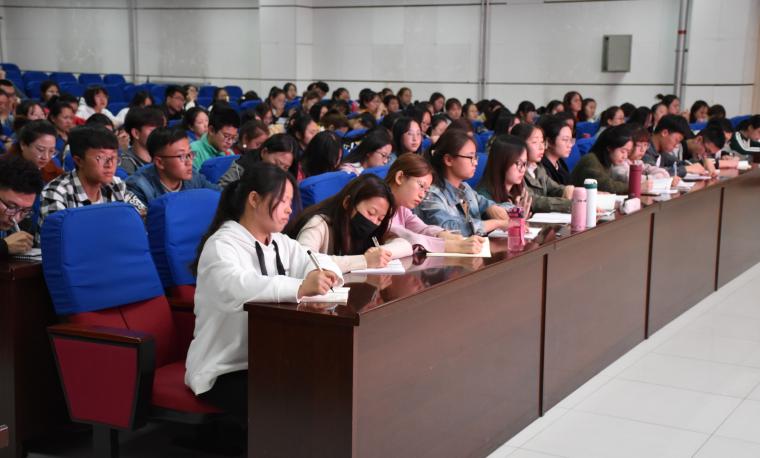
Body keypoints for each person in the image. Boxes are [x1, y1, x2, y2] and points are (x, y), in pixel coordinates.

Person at [185, 162, 343, 419]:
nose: (289, 209)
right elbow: (239, 286)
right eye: (282, 200)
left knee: (328, 381)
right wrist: (300, 286)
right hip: (225, 368)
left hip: (269, 358)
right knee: (299, 399)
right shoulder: (222, 245)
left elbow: (312, 258)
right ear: (254, 199)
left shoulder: (279, 242)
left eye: (291, 202)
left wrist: (324, 271)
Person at [288, 174, 411, 273]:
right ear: (348, 203)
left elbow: (405, 245)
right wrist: (364, 261)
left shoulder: (371, 232)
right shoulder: (318, 224)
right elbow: (304, 261)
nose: (374, 222)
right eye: (371, 213)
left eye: (380, 219)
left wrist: (379, 254)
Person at [39, 126, 146, 229]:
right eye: (101, 158)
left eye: (113, 158)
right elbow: (61, 237)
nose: (109, 164)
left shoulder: (116, 184)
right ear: (79, 161)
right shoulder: (56, 193)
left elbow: (143, 215)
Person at [384, 153, 484, 254]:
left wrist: (443, 234)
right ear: (400, 178)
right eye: (421, 186)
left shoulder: (401, 209)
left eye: (426, 191)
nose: (422, 195)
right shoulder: (379, 206)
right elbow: (408, 237)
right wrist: (454, 246)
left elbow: (422, 229)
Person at [415, 129, 510, 235]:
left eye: (475, 157)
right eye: (470, 157)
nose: (475, 163)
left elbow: (487, 204)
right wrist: (496, 223)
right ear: (449, 160)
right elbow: (448, 229)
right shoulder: (431, 194)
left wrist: (492, 208)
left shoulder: (464, 188)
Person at [126, 127, 219, 206]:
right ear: (160, 162)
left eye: (190, 154)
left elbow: (219, 195)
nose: (190, 162)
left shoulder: (193, 176)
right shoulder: (139, 186)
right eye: (182, 156)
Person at [511, 123, 573, 212]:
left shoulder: (538, 168)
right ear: (520, 144)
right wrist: (569, 204)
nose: (541, 147)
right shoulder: (516, 170)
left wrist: (574, 192)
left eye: (542, 142)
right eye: (535, 142)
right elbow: (533, 200)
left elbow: (555, 188)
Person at [0, 155, 44, 258]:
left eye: (25, 210)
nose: (15, 218)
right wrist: (4, 246)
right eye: (11, 207)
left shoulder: (25, 222)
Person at [477, 134, 533, 214]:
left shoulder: (519, 187)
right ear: (501, 163)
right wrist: (516, 217)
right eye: (518, 163)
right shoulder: (483, 198)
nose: (523, 169)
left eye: (524, 163)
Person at [570, 124, 634, 194]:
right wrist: (634, 187)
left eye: (628, 152)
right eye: (623, 151)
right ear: (609, 147)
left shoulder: (606, 162)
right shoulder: (591, 160)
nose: (625, 156)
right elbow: (607, 186)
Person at [218, 134, 296, 188]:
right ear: (264, 152)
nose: (280, 171)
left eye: (286, 167)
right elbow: (222, 188)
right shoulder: (243, 166)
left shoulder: (285, 179)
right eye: (277, 163)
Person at [120, 107, 165, 175]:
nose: (159, 134)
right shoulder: (125, 162)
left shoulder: (164, 159)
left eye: (160, 130)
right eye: (153, 131)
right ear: (136, 133)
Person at [538, 116, 574, 185]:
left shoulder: (561, 163)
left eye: (571, 140)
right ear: (549, 141)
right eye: (565, 140)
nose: (570, 145)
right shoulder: (542, 168)